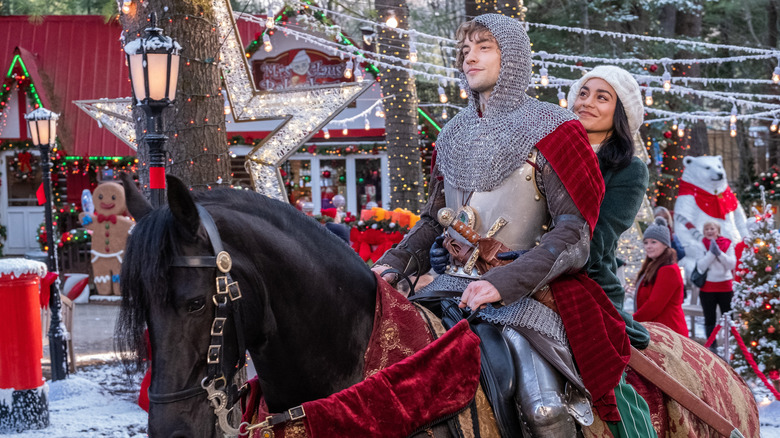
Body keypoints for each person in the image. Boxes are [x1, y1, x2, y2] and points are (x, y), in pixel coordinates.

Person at [372, 14, 630, 436]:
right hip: (450, 285)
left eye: (483, 46)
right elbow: (434, 221)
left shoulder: (556, 129)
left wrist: (506, 281)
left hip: (528, 292)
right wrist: (393, 263)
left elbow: (574, 233)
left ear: (512, 57)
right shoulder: (452, 134)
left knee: (546, 411)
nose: (468, 57)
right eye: (465, 49)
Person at [567, 65, 657, 437]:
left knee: (602, 377)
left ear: (620, 113)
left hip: (587, 283)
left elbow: (597, 239)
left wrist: (533, 261)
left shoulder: (629, 170)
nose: (586, 102)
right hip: (513, 273)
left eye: (602, 97)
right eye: (583, 93)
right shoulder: (546, 152)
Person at [632, 218, 689, 336]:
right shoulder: (652, 266)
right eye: (646, 242)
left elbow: (654, 305)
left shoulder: (668, 270)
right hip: (657, 331)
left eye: (654, 242)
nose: (648, 246)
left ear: (665, 244)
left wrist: (631, 321)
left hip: (668, 333)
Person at [695, 221, 736, 341]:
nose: (709, 231)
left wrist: (719, 253)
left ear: (718, 231)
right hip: (707, 288)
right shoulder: (700, 244)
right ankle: (711, 345)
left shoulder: (728, 244)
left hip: (725, 287)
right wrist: (711, 254)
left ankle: (730, 343)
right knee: (709, 318)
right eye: (706, 229)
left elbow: (731, 264)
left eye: (712, 228)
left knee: (728, 317)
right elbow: (700, 266)